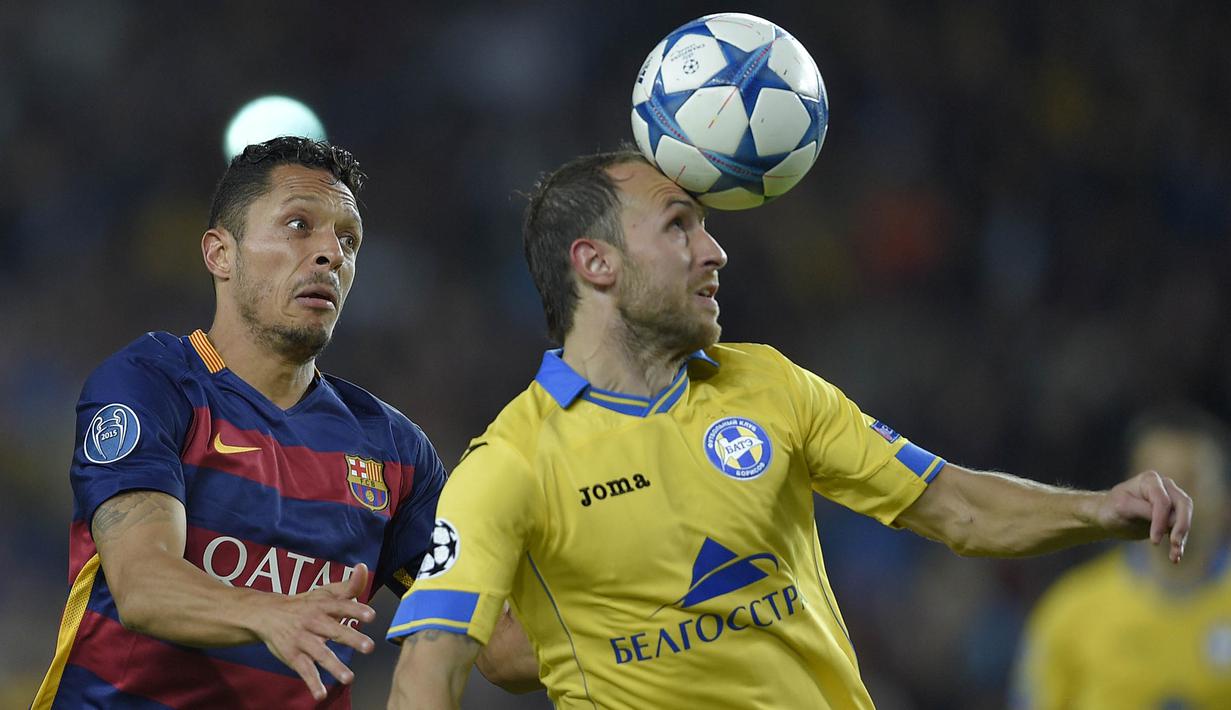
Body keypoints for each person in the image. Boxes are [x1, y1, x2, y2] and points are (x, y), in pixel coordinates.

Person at [384, 149, 1192, 709]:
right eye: (679, 227)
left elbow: (956, 506)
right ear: (595, 265)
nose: (716, 250)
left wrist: (1095, 509)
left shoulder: (766, 382)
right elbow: (438, 661)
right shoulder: (510, 462)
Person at [31, 137, 524, 709]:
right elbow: (143, 584)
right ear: (221, 254)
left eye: (348, 240)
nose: (330, 254)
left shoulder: (393, 448)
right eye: (298, 225)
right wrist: (274, 614)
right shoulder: (153, 383)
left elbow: (501, 650)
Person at [1012, 407, 1231, 709]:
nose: (1170, 501)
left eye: (1190, 482)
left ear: (1224, 502)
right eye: (1158, 484)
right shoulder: (1073, 609)